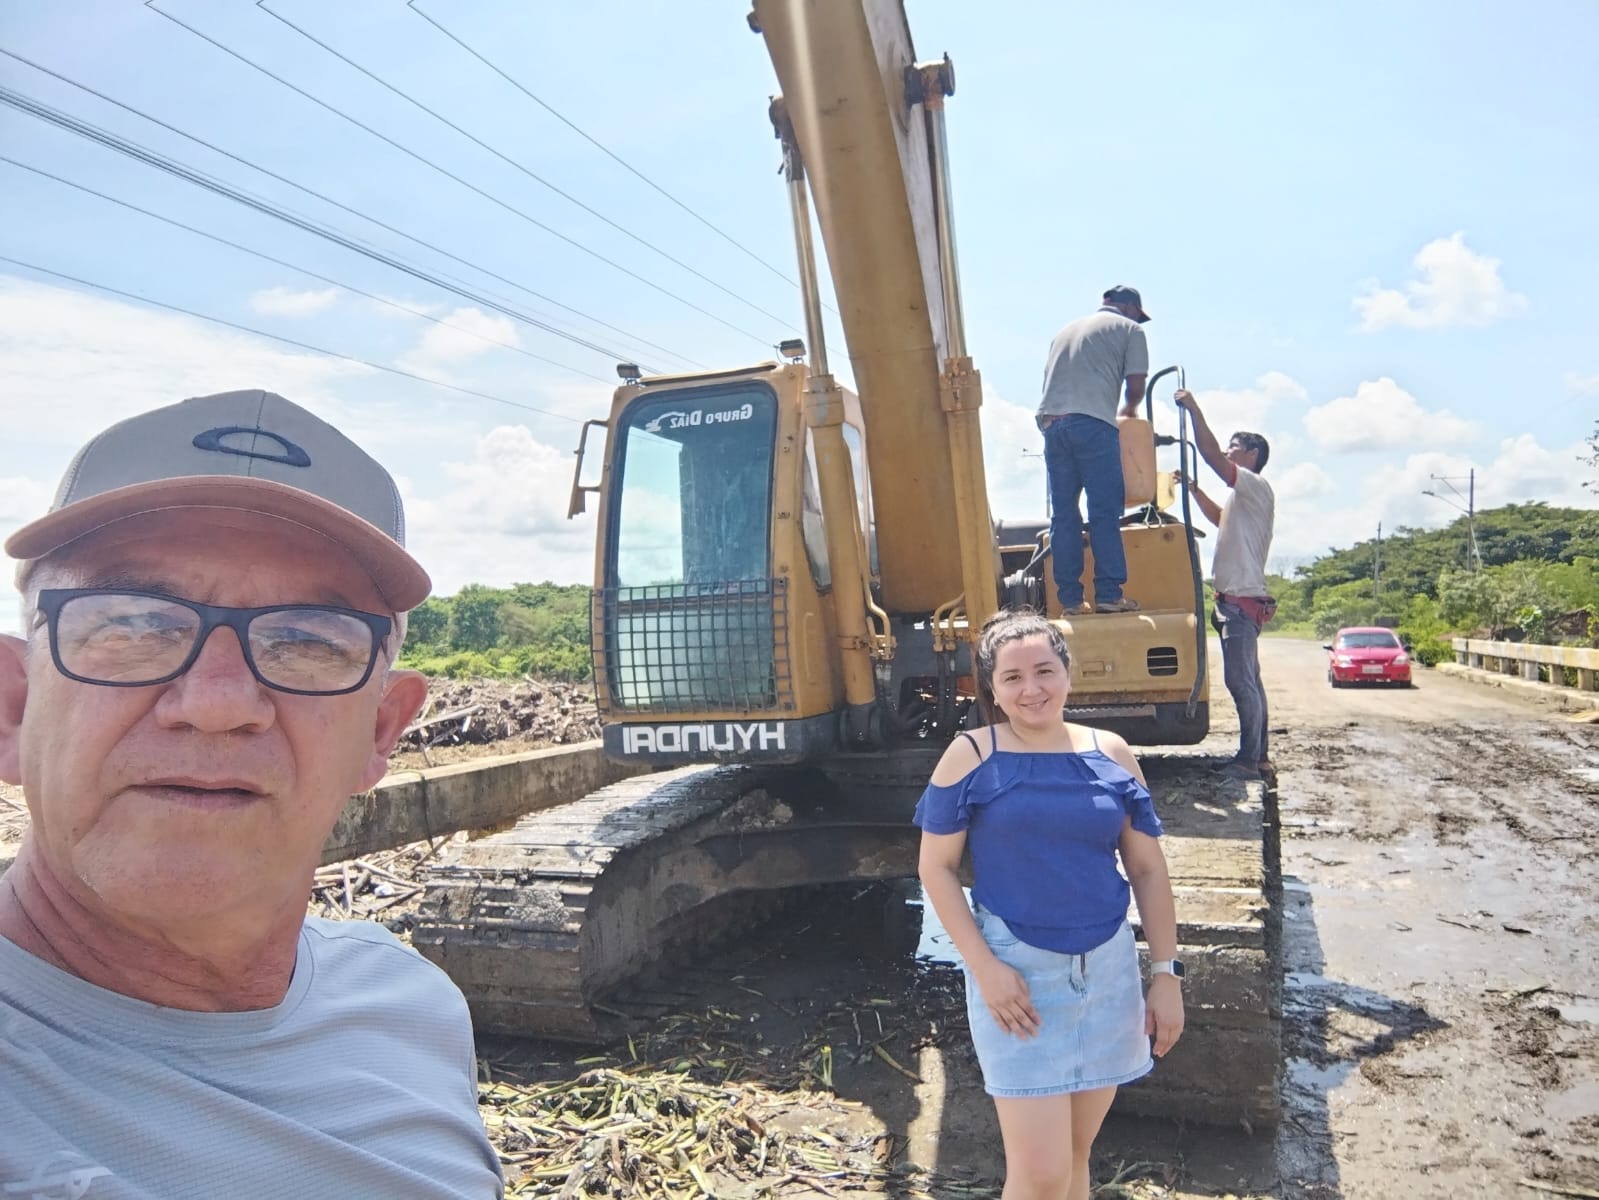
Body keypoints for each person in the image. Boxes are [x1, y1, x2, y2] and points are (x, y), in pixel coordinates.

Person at [0, 389, 504, 1197]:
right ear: (15, 708)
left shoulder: (411, 1009)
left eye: (306, 640)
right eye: (133, 625)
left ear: (380, 732)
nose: (218, 704)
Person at [916, 609, 1184, 1200]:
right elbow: (934, 868)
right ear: (992, 689)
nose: (1031, 688)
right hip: (1018, 982)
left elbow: (1146, 868)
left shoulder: (1112, 752)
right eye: (1012, 677)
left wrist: (1167, 975)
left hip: (1108, 972)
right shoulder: (970, 754)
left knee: (1074, 1159)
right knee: (1039, 1175)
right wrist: (984, 968)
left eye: (1044, 670)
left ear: (1067, 673)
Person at [1173, 388, 1276, 781]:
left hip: (1240, 602)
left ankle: (1249, 760)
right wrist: (1194, 490)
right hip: (1239, 601)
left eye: (1234, 447)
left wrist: (1194, 409)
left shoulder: (1253, 484)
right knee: (1251, 681)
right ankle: (1258, 756)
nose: (1228, 452)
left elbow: (1212, 457)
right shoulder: (1242, 499)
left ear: (1251, 455)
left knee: (1240, 681)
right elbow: (1220, 519)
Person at [1036, 285, 1151, 615]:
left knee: (1064, 515)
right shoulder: (1130, 329)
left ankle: (1071, 600)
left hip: (1052, 425)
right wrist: (1129, 410)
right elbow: (1136, 385)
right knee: (1104, 511)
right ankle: (1109, 594)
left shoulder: (1064, 332)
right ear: (1131, 308)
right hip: (1093, 424)